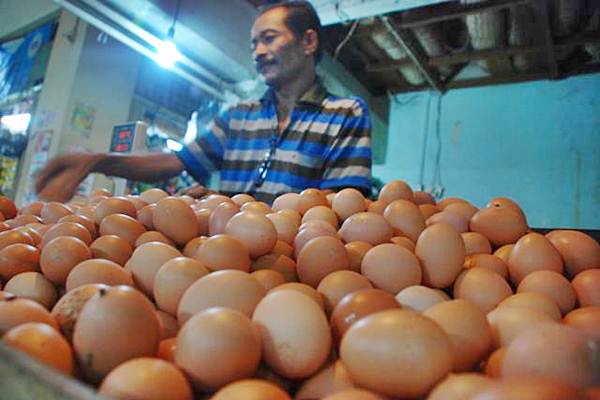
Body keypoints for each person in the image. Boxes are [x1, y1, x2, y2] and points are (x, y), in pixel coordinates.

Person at [35, 1, 372, 204]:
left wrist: (226, 205)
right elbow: (174, 162)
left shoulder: (345, 114)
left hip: (295, 272)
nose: (257, 53)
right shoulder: (240, 117)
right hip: (226, 262)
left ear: (308, 41)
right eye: (253, 44)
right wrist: (97, 160)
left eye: (268, 39)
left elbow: (341, 207)